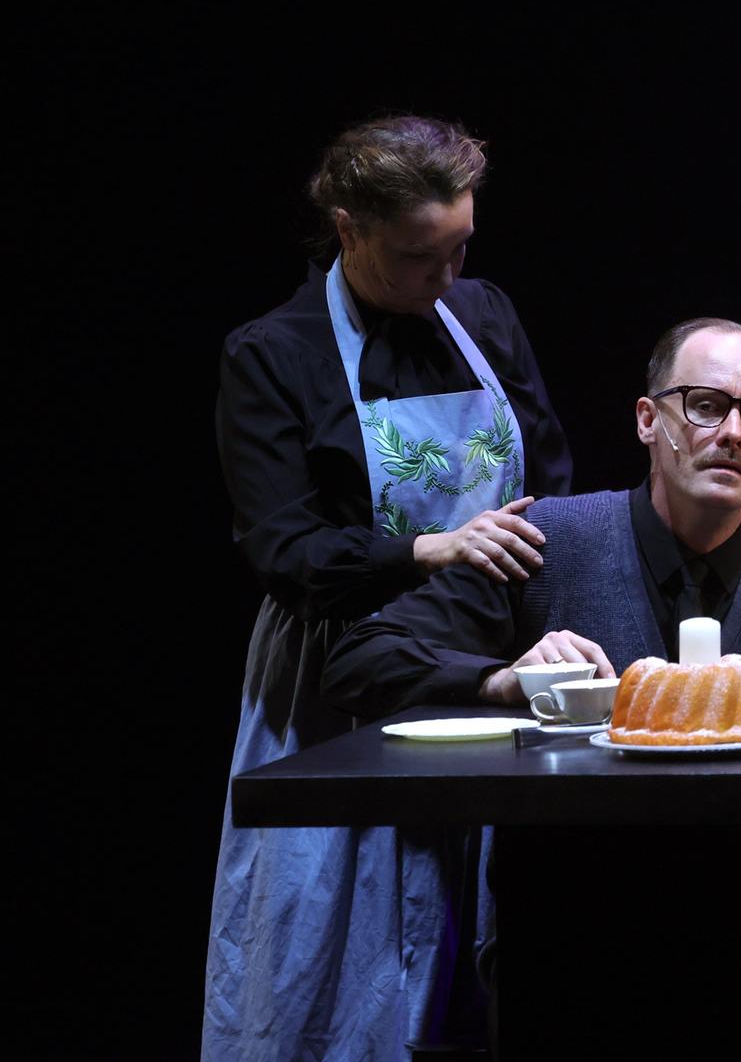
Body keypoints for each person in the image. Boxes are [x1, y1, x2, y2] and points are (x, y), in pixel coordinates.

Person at [205, 116, 573, 1060]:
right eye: (420, 257)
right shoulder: (274, 353)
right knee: (340, 951)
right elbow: (285, 551)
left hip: (489, 657)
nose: (445, 277)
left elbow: (553, 480)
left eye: (460, 249)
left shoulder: (483, 314)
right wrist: (427, 552)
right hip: (340, 678)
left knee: (486, 944)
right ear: (348, 229)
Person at [323, 317, 741, 717]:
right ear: (647, 420)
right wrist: (502, 681)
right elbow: (361, 661)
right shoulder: (549, 542)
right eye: (705, 404)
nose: (733, 432)